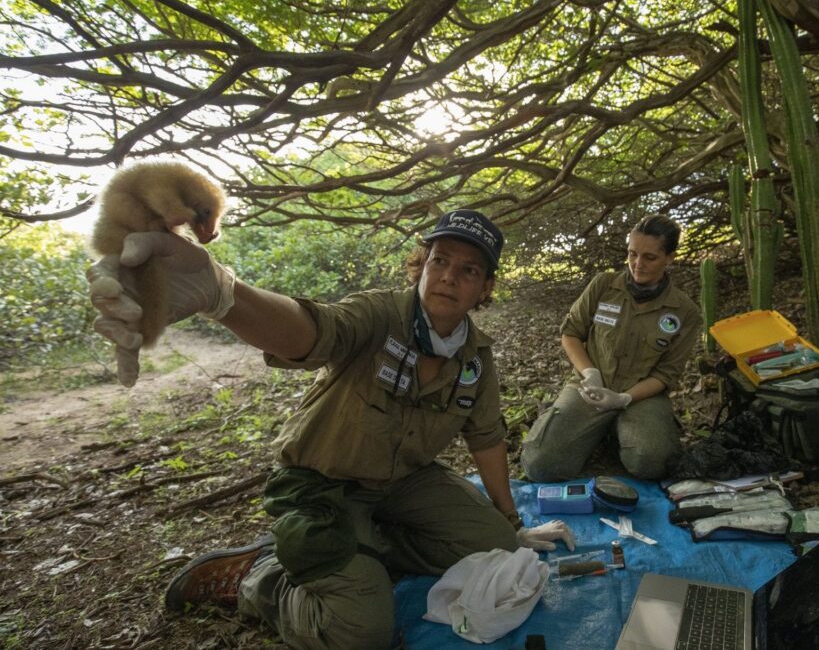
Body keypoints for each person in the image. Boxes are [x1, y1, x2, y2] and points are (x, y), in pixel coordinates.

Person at [87, 209, 575, 650]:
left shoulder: (474, 357)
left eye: (468, 270)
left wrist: (513, 525)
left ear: (486, 287)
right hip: (320, 484)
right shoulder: (379, 314)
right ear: (422, 264)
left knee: (500, 551)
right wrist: (223, 295)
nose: (448, 277)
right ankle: (261, 579)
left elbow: (486, 438)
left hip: (403, 485)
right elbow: (312, 332)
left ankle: (357, 548)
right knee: (360, 634)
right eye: (440, 261)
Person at [520, 214, 700, 482]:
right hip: (590, 386)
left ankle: (618, 431)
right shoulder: (603, 285)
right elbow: (570, 333)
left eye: (649, 257)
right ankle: (595, 428)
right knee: (540, 465)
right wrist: (590, 373)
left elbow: (665, 374)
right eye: (632, 254)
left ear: (670, 258)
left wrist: (624, 399)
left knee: (652, 462)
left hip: (641, 397)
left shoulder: (685, 311)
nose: (637, 265)